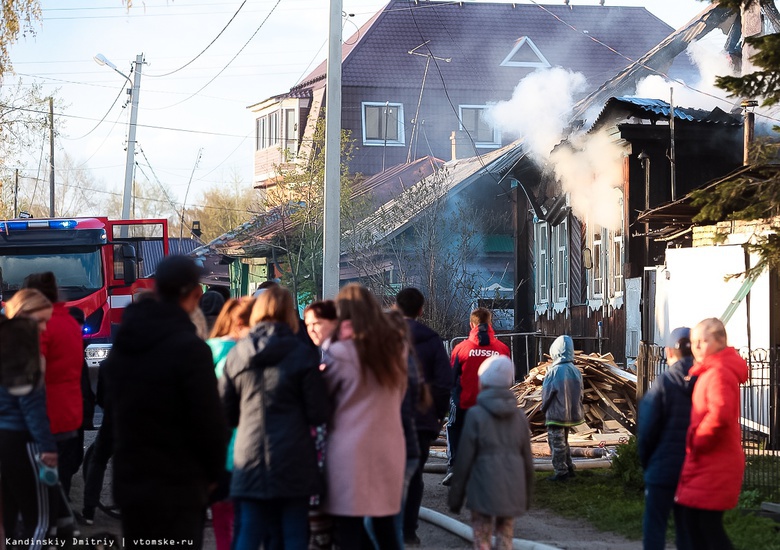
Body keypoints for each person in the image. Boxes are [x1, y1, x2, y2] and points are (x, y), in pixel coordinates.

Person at [103, 255, 227, 549]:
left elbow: (110, 401)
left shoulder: (125, 343)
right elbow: (207, 420)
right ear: (195, 294)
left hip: (133, 482)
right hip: (179, 484)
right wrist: (215, 475)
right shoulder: (190, 349)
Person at [220, 286, 329, 550]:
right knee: (293, 533)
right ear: (289, 312)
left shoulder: (237, 354)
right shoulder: (303, 353)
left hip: (249, 455)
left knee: (249, 530)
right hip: (294, 456)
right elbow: (318, 413)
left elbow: (226, 411)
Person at [322, 284, 408, 549]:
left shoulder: (336, 353)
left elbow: (323, 401)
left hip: (347, 450)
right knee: (385, 527)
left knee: (349, 527)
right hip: (390, 445)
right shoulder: (395, 352)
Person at [675, 318, 748, 550]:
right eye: (694, 341)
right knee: (699, 528)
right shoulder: (711, 371)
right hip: (708, 460)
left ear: (720, 342)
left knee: (704, 529)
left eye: (703, 341)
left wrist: (697, 441)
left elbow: (720, 415)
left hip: (712, 460)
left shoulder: (718, 373)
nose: (696, 347)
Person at [448, 355, 534, 550]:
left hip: (481, 489)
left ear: (482, 383)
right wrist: (527, 495)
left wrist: (456, 497)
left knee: (482, 537)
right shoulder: (520, 417)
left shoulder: (475, 415)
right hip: (512, 490)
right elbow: (528, 461)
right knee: (505, 537)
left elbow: (463, 460)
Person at [394, 287, 453, 545]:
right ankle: (408, 530)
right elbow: (443, 383)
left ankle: (388, 527)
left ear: (396, 307)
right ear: (421, 310)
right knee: (414, 474)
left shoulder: (382, 337)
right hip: (421, 421)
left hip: (387, 419)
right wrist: (438, 416)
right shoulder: (432, 340)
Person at [0, 289, 57, 545]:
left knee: (9, 512)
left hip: (4, 439)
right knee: (40, 519)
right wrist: (47, 448)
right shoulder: (24, 350)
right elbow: (32, 407)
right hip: (23, 441)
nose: (44, 328)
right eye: (40, 320)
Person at [22, 272, 84, 498]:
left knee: (38, 494)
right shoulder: (69, 321)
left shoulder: (39, 326)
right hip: (69, 416)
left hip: (44, 419)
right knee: (59, 485)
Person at [637, 327, 695, 550]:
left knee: (655, 527)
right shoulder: (704, 382)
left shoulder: (663, 383)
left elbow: (647, 430)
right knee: (686, 530)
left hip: (661, 470)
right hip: (691, 470)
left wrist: (647, 462)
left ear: (669, 352)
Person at [205, 297, 254, 550]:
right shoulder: (252, 350)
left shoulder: (210, 348)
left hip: (219, 441)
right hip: (245, 441)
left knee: (223, 511)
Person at [444, 307, 510, 485]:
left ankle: (454, 467)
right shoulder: (502, 349)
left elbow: (452, 377)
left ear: (471, 324)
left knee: (454, 428)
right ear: (490, 323)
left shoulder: (460, 348)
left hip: (465, 402)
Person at [541, 335, 584, 482]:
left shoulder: (553, 371)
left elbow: (547, 394)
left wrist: (543, 408)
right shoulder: (575, 371)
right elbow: (581, 393)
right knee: (565, 441)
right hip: (571, 413)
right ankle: (569, 467)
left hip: (556, 414)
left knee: (556, 443)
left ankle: (561, 472)